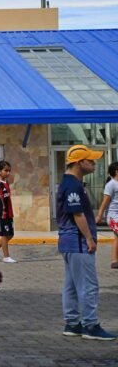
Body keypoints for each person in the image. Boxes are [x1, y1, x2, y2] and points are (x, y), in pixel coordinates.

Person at [57, 145, 116, 340]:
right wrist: (89, 238)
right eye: (90, 161)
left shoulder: (68, 183)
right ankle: (91, 325)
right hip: (78, 241)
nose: (94, 163)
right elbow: (78, 214)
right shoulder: (73, 185)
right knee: (89, 285)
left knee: (72, 284)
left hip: (69, 242)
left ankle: (72, 323)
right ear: (79, 162)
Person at [96, 161, 118, 269]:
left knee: (116, 237)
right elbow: (105, 202)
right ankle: (114, 261)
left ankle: (115, 260)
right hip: (114, 216)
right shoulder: (111, 184)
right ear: (116, 171)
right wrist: (99, 216)